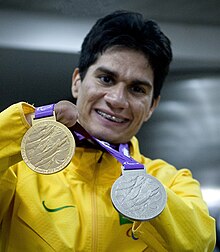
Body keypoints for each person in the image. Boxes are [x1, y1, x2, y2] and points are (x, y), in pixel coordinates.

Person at [0, 10, 216, 251]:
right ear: (77, 82)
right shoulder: (18, 171)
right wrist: (29, 124)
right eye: (106, 79)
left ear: (152, 106)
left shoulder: (173, 181)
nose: (117, 100)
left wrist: (141, 193)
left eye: (137, 89)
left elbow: (200, 243)